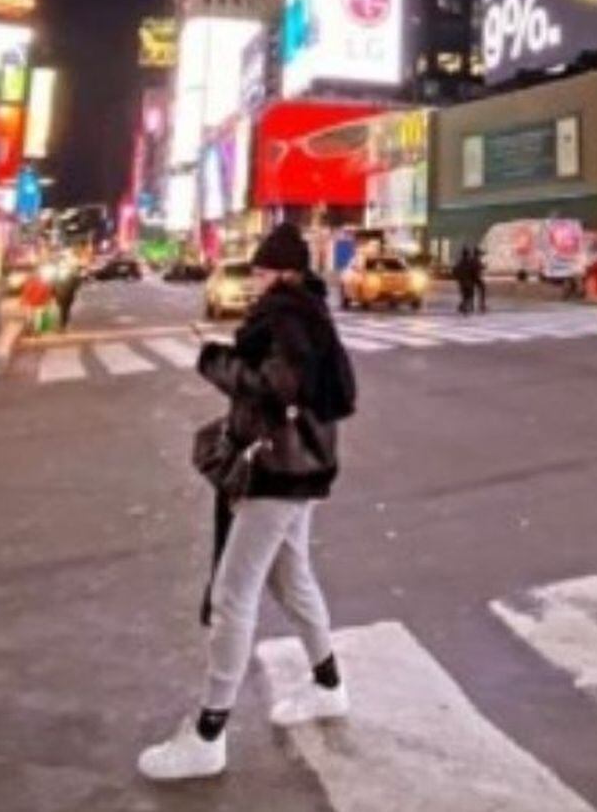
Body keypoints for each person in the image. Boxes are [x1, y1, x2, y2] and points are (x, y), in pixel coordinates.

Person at [138, 221, 355, 783]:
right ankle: (328, 685)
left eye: (260, 270)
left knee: (236, 592)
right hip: (301, 464)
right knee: (291, 579)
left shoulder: (284, 317)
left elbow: (275, 385)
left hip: (277, 469)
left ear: (283, 272)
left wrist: (214, 360)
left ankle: (209, 734)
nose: (254, 280)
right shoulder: (308, 311)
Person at [53, 260, 82, 332]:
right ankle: (62, 325)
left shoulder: (71, 275)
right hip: (64, 294)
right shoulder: (58, 275)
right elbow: (77, 285)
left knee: (63, 310)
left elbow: (77, 284)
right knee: (64, 310)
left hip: (64, 294)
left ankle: (62, 325)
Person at [453, 244, 478, 315]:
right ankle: (464, 307)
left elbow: (455, 271)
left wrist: (458, 278)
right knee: (468, 295)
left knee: (465, 295)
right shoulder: (469, 262)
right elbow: (473, 271)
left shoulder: (460, 262)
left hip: (462, 282)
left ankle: (463, 306)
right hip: (468, 282)